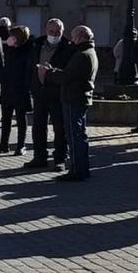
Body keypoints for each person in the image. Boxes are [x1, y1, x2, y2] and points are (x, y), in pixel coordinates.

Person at [44, 26, 98, 182]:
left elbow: (68, 77)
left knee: (74, 136)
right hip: (79, 97)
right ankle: (81, 168)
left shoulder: (82, 55)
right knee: (80, 135)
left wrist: (50, 72)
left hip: (74, 98)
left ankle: (76, 169)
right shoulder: (88, 53)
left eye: (74, 36)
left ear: (81, 37)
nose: (72, 39)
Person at [26, 19, 74, 170]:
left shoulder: (68, 47)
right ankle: (39, 157)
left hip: (57, 94)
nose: (54, 35)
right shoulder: (37, 44)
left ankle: (60, 158)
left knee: (60, 128)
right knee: (38, 126)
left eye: (57, 32)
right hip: (39, 92)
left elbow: (68, 72)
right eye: (52, 32)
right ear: (46, 30)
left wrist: (52, 72)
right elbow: (29, 66)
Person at [0, 25, 34, 156]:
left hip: (20, 89)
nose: (9, 38)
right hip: (8, 87)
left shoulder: (28, 51)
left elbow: (27, 71)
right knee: (6, 117)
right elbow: (4, 66)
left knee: (20, 118)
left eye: (12, 35)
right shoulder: (10, 50)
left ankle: (20, 145)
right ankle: (3, 143)